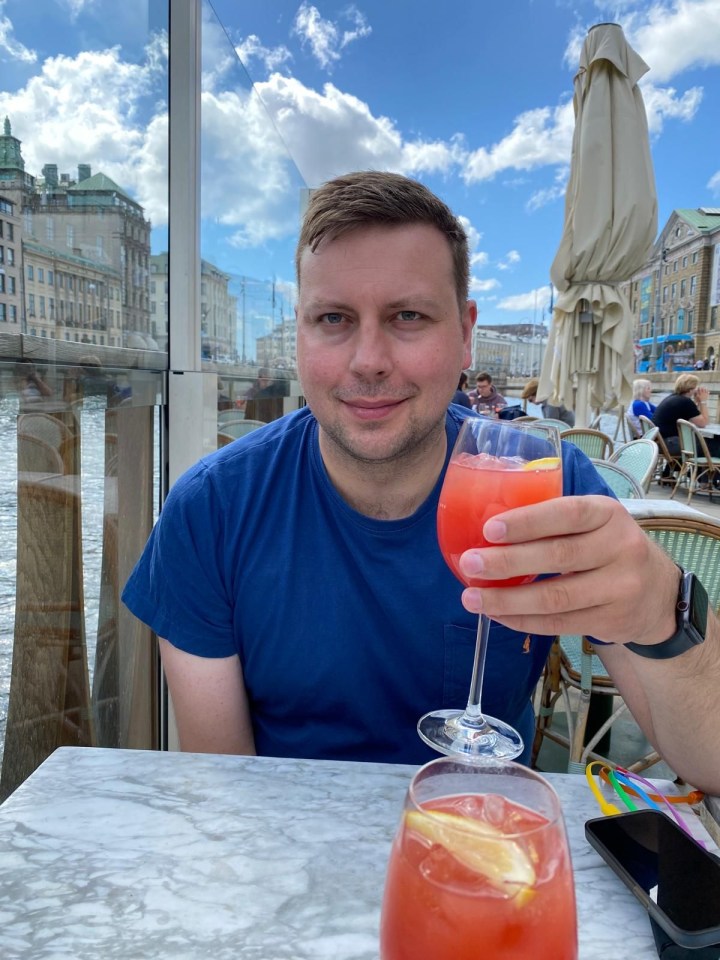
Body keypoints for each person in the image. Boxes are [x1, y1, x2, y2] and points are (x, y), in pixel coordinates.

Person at [122, 171, 720, 793]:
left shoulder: (546, 485)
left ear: (464, 334)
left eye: (408, 315)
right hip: (285, 848)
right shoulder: (211, 510)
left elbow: (712, 763)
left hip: (484, 837)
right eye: (333, 318)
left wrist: (663, 608)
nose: (369, 360)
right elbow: (224, 783)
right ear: (299, 333)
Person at [652, 373, 719, 458]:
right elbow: (703, 423)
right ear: (691, 389)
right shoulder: (685, 402)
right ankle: (710, 471)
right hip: (669, 444)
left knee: (703, 443)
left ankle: (684, 470)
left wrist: (698, 402)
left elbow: (694, 417)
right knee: (714, 444)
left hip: (660, 442)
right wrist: (703, 401)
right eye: (696, 387)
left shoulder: (674, 398)